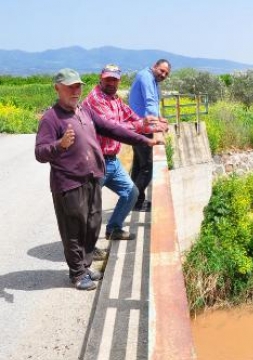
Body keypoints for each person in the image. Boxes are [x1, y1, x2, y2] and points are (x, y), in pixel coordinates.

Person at [35, 68, 162, 291]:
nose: (75, 91)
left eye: (78, 86)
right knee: (73, 230)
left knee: (92, 225)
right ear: (58, 88)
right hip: (69, 183)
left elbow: (112, 128)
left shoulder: (83, 111)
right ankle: (77, 274)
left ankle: (85, 267)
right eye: (70, 87)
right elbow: (40, 153)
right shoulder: (50, 118)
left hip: (92, 177)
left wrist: (144, 140)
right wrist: (59, 145)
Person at [82, 64, 168, 242]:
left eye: (114, 79)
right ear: (101, 78)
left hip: (111, 160)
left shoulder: (114, 99)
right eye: (108, 79)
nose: (111, 83)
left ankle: (114, 228)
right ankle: (86, 248)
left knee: (131, 193)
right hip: (95, 161)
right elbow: (113, 128)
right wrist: (141, 125)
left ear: (119, 81)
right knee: (91, 207)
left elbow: (131, 116)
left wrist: (152, 124)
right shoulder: (96, 99)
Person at [128, 59, 171, 212]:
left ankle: (137, 201)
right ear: (154, 67)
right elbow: (150, 101)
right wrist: (156, 125)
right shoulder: (146, 77)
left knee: (139, 165)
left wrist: (159, 117)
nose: (164, 74)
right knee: (148, 167)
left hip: (138, 126)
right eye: (162, 70)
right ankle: (131, 200)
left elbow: (154, 103)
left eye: (166, 73)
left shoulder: (151, 78)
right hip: (142, 128)